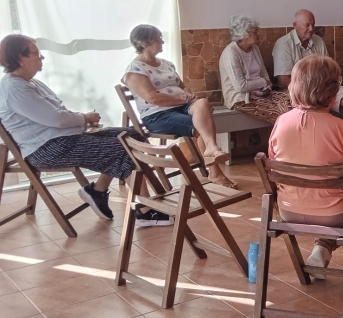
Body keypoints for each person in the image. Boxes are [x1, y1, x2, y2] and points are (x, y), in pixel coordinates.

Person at [0, 35, 156, 225]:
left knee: (130, 135)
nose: (41, 58)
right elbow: (55, 118)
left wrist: (83, 120)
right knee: (123, 148)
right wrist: (83, 119)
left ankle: (97, 191)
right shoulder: (14, 88)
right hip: (47, 148)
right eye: (36, 54)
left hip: (62, 138)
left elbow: (57, 113)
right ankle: (145, 212)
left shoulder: (29, 82)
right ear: (19, 58)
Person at [268, 55, 343, 283]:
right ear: (334, 93)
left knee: (325, 196)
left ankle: (321, 250)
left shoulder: (281, 123)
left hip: (288, 211)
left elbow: (275, 167)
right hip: (337, 216)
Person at [122, 24, 237, 189]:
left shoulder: (166, 64)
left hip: (180, 106)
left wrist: (189, 95)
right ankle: (214, 170)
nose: (162, 41)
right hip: (158, 115)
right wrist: (182, 99)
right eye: (157, 38)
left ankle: (211, 148)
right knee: (202, 127)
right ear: (143, 43)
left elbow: (182, 86)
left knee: (202, 102)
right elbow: (153, 98)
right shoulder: (134, 71)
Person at [272, 9, 343, 124]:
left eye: (313, 24)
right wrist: (310, 91)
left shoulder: (318, 41)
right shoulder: (283, 44)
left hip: (321, 88)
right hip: (295, 90)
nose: (311, 29)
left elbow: (328, 69)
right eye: (307, 25)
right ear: (295, 25)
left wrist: (323, 88)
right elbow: (283, 80)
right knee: (312, 103)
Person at [220, 15, 292, 123]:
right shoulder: (231, 53)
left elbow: (264, 74)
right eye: (255, 31)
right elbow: (241, 86)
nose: (258, 34)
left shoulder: (254, 48)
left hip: (261, 93)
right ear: (244, 34)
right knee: (283, 114)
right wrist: (263, 82)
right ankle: (284, 138)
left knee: (293, 103)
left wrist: (266, 88)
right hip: (241, 98)